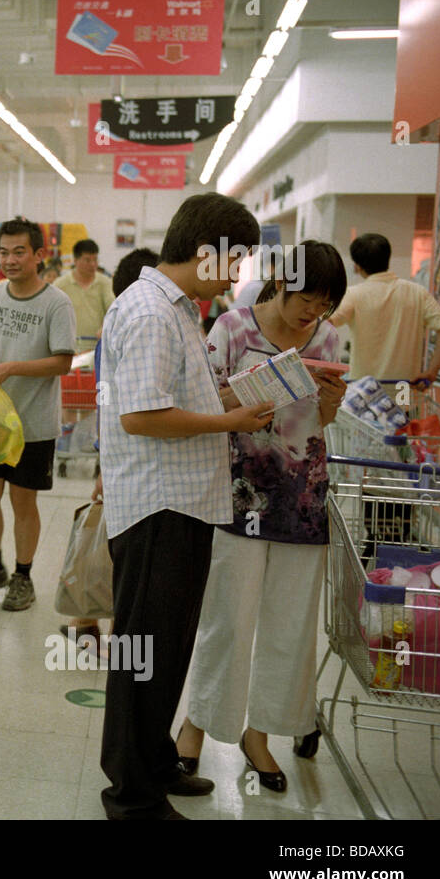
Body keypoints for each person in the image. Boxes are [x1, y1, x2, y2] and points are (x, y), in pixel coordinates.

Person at [98, 192, 277, 821]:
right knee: (141, 655)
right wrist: (227, 416)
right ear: (207, 251)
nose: (237, 275)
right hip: (157, 507)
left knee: (166, 649)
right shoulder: (149, 310)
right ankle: (131, 794)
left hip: (185, 503)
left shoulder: (179, 310)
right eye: (235, 261)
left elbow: (170, 395)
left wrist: (231, 396)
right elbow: (142, 415)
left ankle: (154, 762)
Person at [174, 240, 348, 795]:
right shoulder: (231, 328)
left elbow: (323, 421)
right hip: (239, 495)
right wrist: (243, 399)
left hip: (303, 499)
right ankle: (195, 728)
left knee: (289, 626)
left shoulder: (328, 339)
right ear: (281, 282)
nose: (311, 313)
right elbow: (203, 401)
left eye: (323, 305)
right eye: (306, 298)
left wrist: (331, 398)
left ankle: (259, 734)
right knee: (228, 617)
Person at [0, 219, 76, 611]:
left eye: (19, 252)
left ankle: (23, 576)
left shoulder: (56, 303)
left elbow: (63, 362)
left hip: (33, 423)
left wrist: (12, 367)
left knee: (23, 503)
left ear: (39, 255)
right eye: (4, 251)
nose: (9, 260)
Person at [59, 247, 161, 646]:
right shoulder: (131, 330)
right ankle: (107, 627)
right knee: (118, 547)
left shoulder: (114, 331)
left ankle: (85, 621)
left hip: (118, 457)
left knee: (104, 542)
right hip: (128, 460)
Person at [329, 233, 440, 384]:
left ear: (357, 266)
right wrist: (432, 371)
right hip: (405, 391)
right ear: (387, 258)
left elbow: (327, 322)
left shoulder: (354, 294)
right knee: (406, 407)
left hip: (362, 394)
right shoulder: (416, 292)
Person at [54, 239, 115, 354]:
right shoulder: (60, 285)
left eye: (95, 259)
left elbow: (113, 310)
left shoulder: (105, 283)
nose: (93, 264)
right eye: (87, 260)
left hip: (97, 349)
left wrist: (105, 327)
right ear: (75, 260)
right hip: (68, 349)